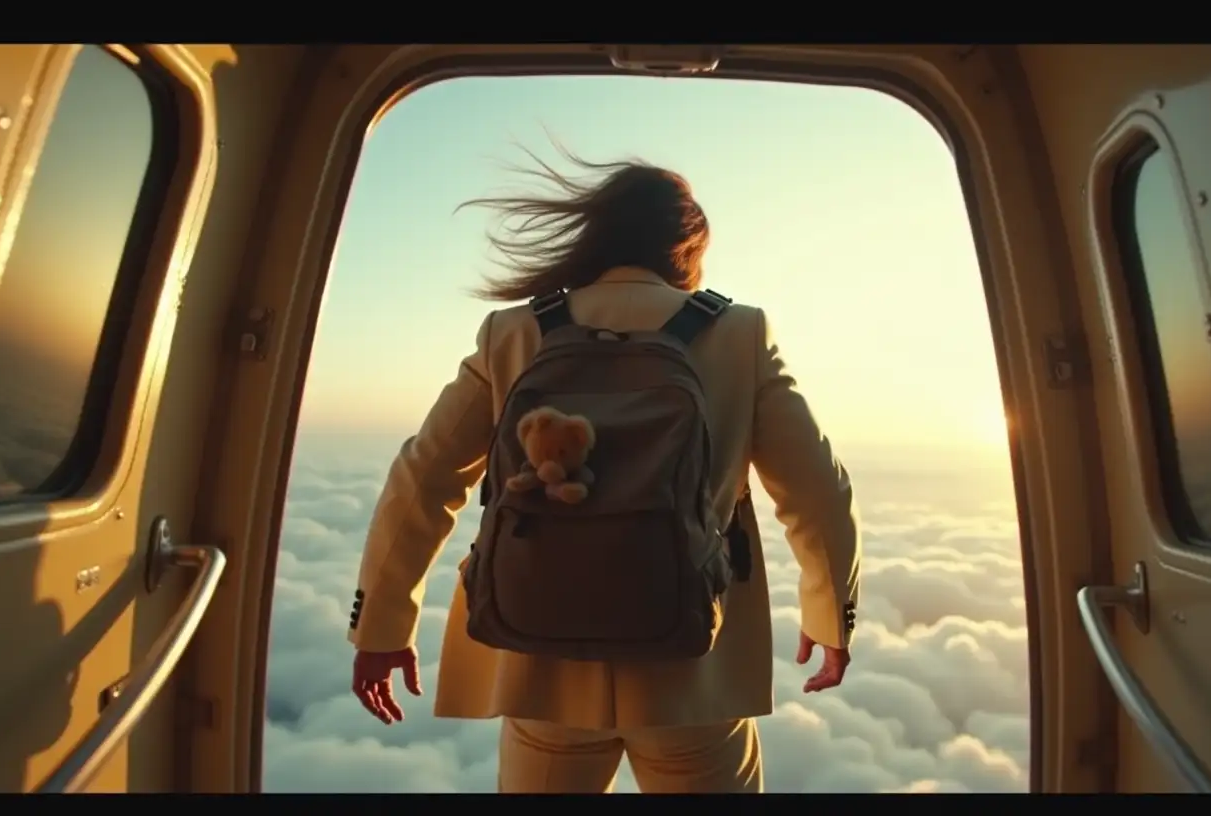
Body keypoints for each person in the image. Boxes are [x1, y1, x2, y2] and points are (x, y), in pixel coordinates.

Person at [347, 145, 861, 794]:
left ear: (598, 235)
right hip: (693, 673)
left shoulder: (513, 333)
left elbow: (422, 480)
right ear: (687, 247)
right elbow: (818, 493)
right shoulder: (738, 333)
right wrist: (828, 616)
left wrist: (383, 625)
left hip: (540, 665)